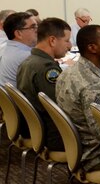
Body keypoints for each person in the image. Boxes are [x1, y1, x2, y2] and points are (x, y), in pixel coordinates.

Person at [56, 25, 100, 171]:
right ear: (92, 48)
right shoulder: (92, 86)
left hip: (79, 148)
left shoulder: (69, 72)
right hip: (99, 155)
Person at [16, 17, 71, 152]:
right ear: (52, 40)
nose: (69, 46)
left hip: (36, 129)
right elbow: (60, 106)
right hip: (54, 135)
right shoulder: (47, 69)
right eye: (67, 40)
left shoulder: (28, 62)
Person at [0, 12, 39, 87]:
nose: (37, 30)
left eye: (37, 27)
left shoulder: (3, 48)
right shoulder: (27, 57)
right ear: (18, 33)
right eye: (33, 27)